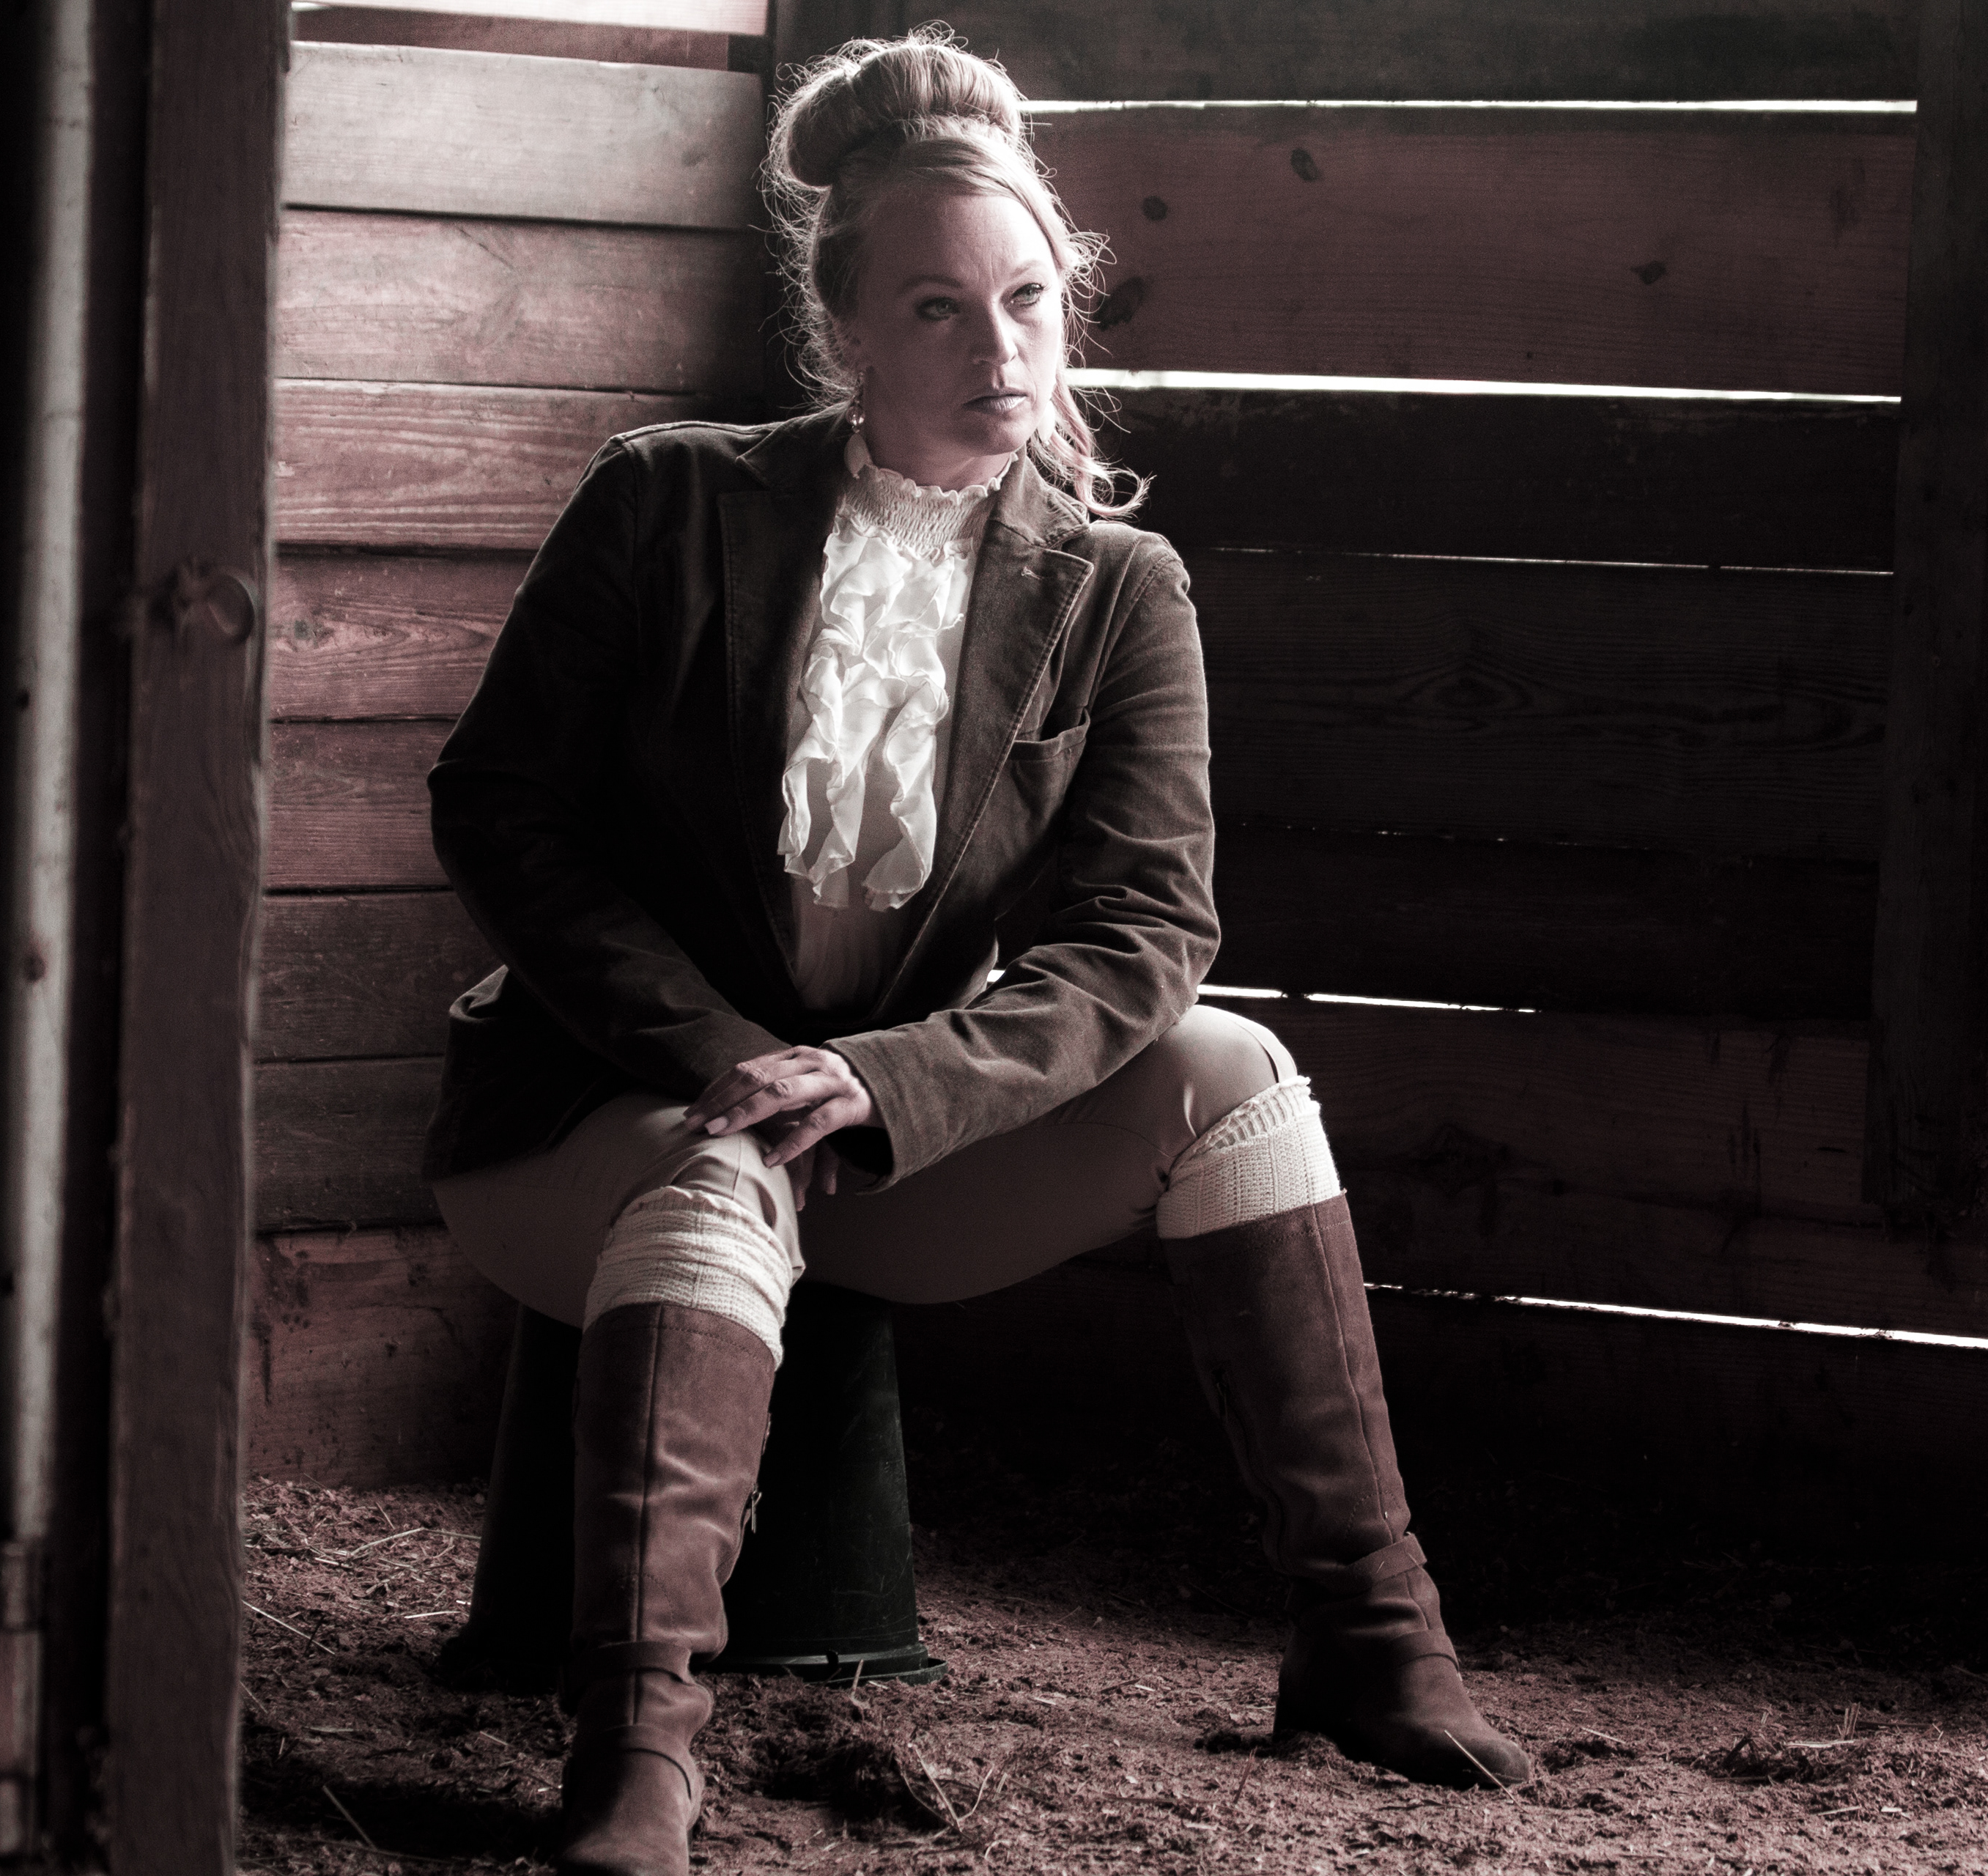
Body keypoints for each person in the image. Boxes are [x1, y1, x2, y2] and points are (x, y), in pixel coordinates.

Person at [421, 30, 1532, 1875]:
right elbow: (500, 809)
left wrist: (887, 1080)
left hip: (889, 1138)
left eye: (1027, 300)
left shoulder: (1117, 588)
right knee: (724, 1165)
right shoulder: (665, 499)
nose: (999, 351)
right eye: (939, 308)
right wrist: (723, 1056)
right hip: (594, 1118)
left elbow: (1144, 929)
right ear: (846, 323)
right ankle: (636, 1746)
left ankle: (1370, 1634)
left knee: (1238, 1074)